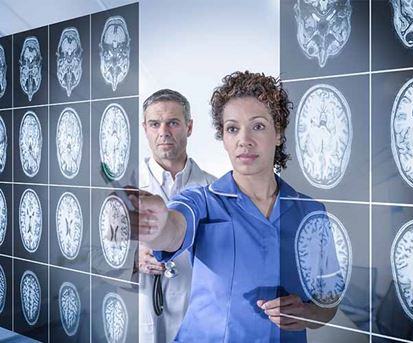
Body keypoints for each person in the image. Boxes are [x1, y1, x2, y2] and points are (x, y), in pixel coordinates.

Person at [136, 71, 341, 342]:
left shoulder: (311, 212)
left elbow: (329, 301)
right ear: (223, 136)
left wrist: (308, 313)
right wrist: (156, 223)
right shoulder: (200, 200)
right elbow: (173, 229)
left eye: (257, 126)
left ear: (278, 133)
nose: (244, 140)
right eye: (232, 128)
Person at [138, 89, 216, 342]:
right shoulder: (121, 190)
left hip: (196, 317)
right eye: (154, 124)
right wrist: (130, 259)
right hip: (139, 316)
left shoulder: (215, 192)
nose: (164, 132)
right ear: (145, 128)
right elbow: (88, 255)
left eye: (173, 122)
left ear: (189, 127)